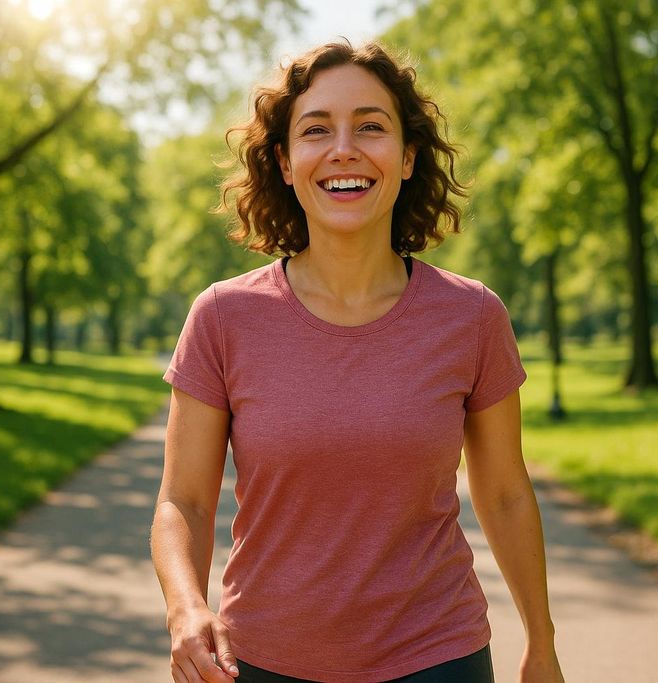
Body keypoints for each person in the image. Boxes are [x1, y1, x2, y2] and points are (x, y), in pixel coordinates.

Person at [150, 40, 564, 683]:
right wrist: (185, 609)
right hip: (260, 663)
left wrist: (541, 644)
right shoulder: (224, 318)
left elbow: (506, 493)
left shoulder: (472, 316)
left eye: (371, 126)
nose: (344, 148)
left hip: (438, 658)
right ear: (286, 163)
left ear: (406, 158)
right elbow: (184, 501)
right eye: (317, 130)